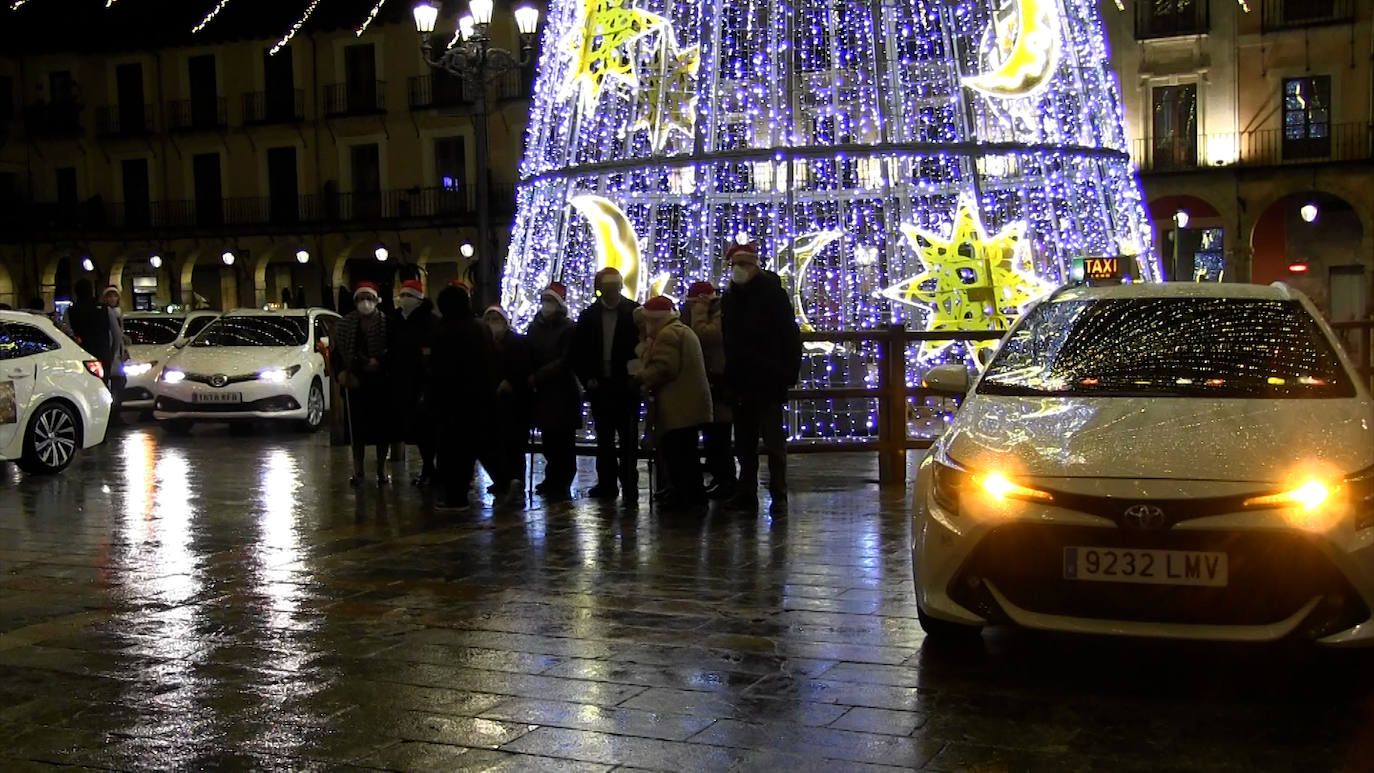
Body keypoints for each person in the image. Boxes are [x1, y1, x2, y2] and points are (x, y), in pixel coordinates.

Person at [721, 242, 802, 513]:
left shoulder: (772, 295)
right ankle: (747, 492)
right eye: (735, 266)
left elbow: (789, 337)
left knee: (772, 441)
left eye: (743, 265)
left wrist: (787, 372)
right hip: (741, 379)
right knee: (744, 442)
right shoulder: (730, 297)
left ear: (754, 266)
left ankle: (778, 493)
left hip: (768, 378)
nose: (738, 270)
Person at [633, 296, 712, 508]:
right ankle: (688, 495)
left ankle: (686, 498)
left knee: (679, 455)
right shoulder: (680, 330)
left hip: (678, 406)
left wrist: (641, 376)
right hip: (688, 405)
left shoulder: (667, 335)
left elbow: (665, 367)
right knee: (686, 453)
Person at [573, 267, 642, 503]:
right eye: (607, 289)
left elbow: (642, 348)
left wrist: (636, 378)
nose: (612, 293)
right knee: (604, 440)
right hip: (600, 386)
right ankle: (607, 484)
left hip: (625, 386)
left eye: (615, 289)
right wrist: (587, 378)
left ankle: (629, 485)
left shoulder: (634, 313)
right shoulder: (588, 316)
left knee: (628, 440)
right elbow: (578, 353)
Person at [430, 283, 498, 512]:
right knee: (477, 445)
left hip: (452, 400)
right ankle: (506, 480)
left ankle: (456, 497)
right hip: (479, 397)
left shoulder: (445, 331)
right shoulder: (480, 328)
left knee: (453, 451)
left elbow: (439, 369)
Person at [525, 283, 581, 501]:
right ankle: (551, 478)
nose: (547, 306)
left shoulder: (568, 328)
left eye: (551, 302)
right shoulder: (535, 326)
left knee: (563, 440)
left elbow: (566, 360)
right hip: (543, 393)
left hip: (562, 390)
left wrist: (538, 375)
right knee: (548, 439)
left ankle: (563, 480)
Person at [333, 282, 392, 487]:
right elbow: (337, 355)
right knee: (356, 429)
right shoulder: (345, 325)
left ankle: (381, 469)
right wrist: (341, 372)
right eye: (361, 298)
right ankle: (358, 470)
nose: (365, 303)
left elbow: (394, 350)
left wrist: (380, 362)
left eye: (369, 298)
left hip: (380, 382)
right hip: (354, 381)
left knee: (382, 429)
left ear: (376, 300)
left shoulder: (387, 323)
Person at [682, 281, 735, 499]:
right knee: (709, 434)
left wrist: (700, 314)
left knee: (719, 435)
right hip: (699, 379)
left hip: (717, 379)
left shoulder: (718, 313)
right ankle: (717, 477)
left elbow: (705, 335)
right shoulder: (689, 312)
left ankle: (725, 479)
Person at [390, 279, 439, 485]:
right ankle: (428, 467)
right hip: (404, 381)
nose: (404, 300)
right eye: (402, 295)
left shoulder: (430, 321)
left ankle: (431, 468)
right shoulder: (397, 319)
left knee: (427, 428)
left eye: (408, 296)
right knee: (416, 429)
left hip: (424, 382)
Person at [484, 305, 533, 501]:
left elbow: (523, 367)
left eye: (496, 319)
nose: (492, 324)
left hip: (515, 402)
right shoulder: (485, 344)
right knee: (496, 444)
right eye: (489, 319)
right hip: (494, 402)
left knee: (515, 444)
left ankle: (516, 481)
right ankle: (502, 480)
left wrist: (511, 381)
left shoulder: (516, 343)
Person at [68, 280, 113, 374]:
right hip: (102, 353)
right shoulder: (104, 309)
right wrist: (112, 354)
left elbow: (67, 335)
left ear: (76, 292)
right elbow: (116, 334)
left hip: (81, 355)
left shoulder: (71, 311)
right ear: (91, 291)